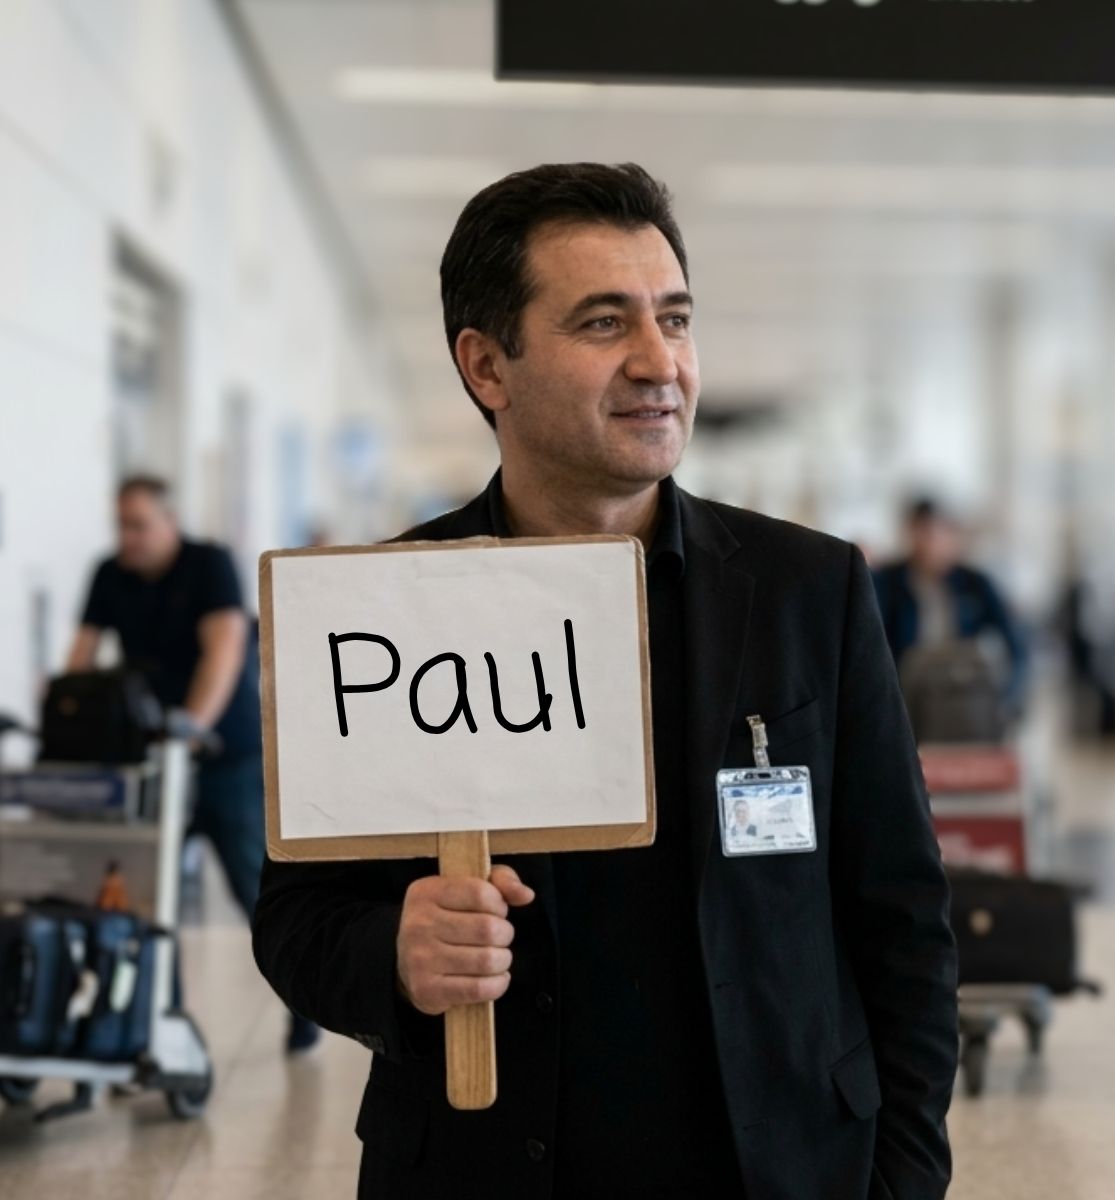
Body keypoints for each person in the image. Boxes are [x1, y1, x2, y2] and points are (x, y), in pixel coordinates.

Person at [252, 164, 958, 1199]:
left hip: (782, 1163)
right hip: (485, 1169)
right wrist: (392, 951)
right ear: (488, 365)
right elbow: (296, 918)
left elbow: (902, 914)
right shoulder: (383, 609)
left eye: (674, 318)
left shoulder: (809, 590)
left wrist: (904, 1177)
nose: (658, 362)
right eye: (601, 323)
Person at [67, 476, 320, 1054]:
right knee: (148, 898)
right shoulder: (111, 574)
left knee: (257, 892)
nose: (127, 538)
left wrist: (192, 727)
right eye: (121, 526)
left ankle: (304, 1007)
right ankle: (160, 1024)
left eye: (139, 525)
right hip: (153, 763)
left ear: (169, 522)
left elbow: (225, 648)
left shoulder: (209, 565)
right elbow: (80, 659)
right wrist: (67, 713)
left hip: (224, 758)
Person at [872, 497, 1029, 712]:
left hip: (962, 696)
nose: (930, 543)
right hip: (904, 699)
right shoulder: (886, 581)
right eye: (922, 532)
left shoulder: (974, 584)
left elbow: (1016, 642)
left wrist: (1007, 697)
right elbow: (871, 641)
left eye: (937, 533)